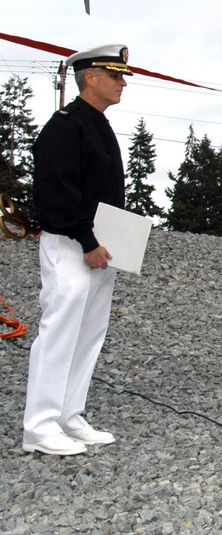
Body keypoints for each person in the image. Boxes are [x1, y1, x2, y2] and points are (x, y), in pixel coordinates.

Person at [22, 44, 133, 456]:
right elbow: (57, 191)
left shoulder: (97, 124)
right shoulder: (66, 126)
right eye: (115, 76)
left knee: (88, 333)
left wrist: (106, 241)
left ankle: (69, 415)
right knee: (60, 332)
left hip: (97, 247)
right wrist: (87, 242)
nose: (122, 84)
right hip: (72, 244)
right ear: (90, 76)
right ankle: (39, 426)